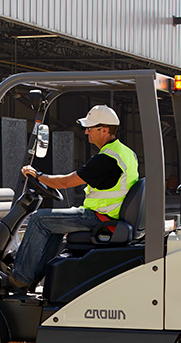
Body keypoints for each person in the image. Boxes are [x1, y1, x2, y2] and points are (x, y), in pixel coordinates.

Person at [11, 104, 138, 287]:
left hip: (100, 218)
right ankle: (34, 277)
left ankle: (19, 278)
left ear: (104, 130)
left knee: (38, 219)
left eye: (90, 128)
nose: (86, 132)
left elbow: (65, 182)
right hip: (110, 215)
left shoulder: (107, 159)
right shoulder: (126, 153)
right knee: (53, 225)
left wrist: (37, 176)